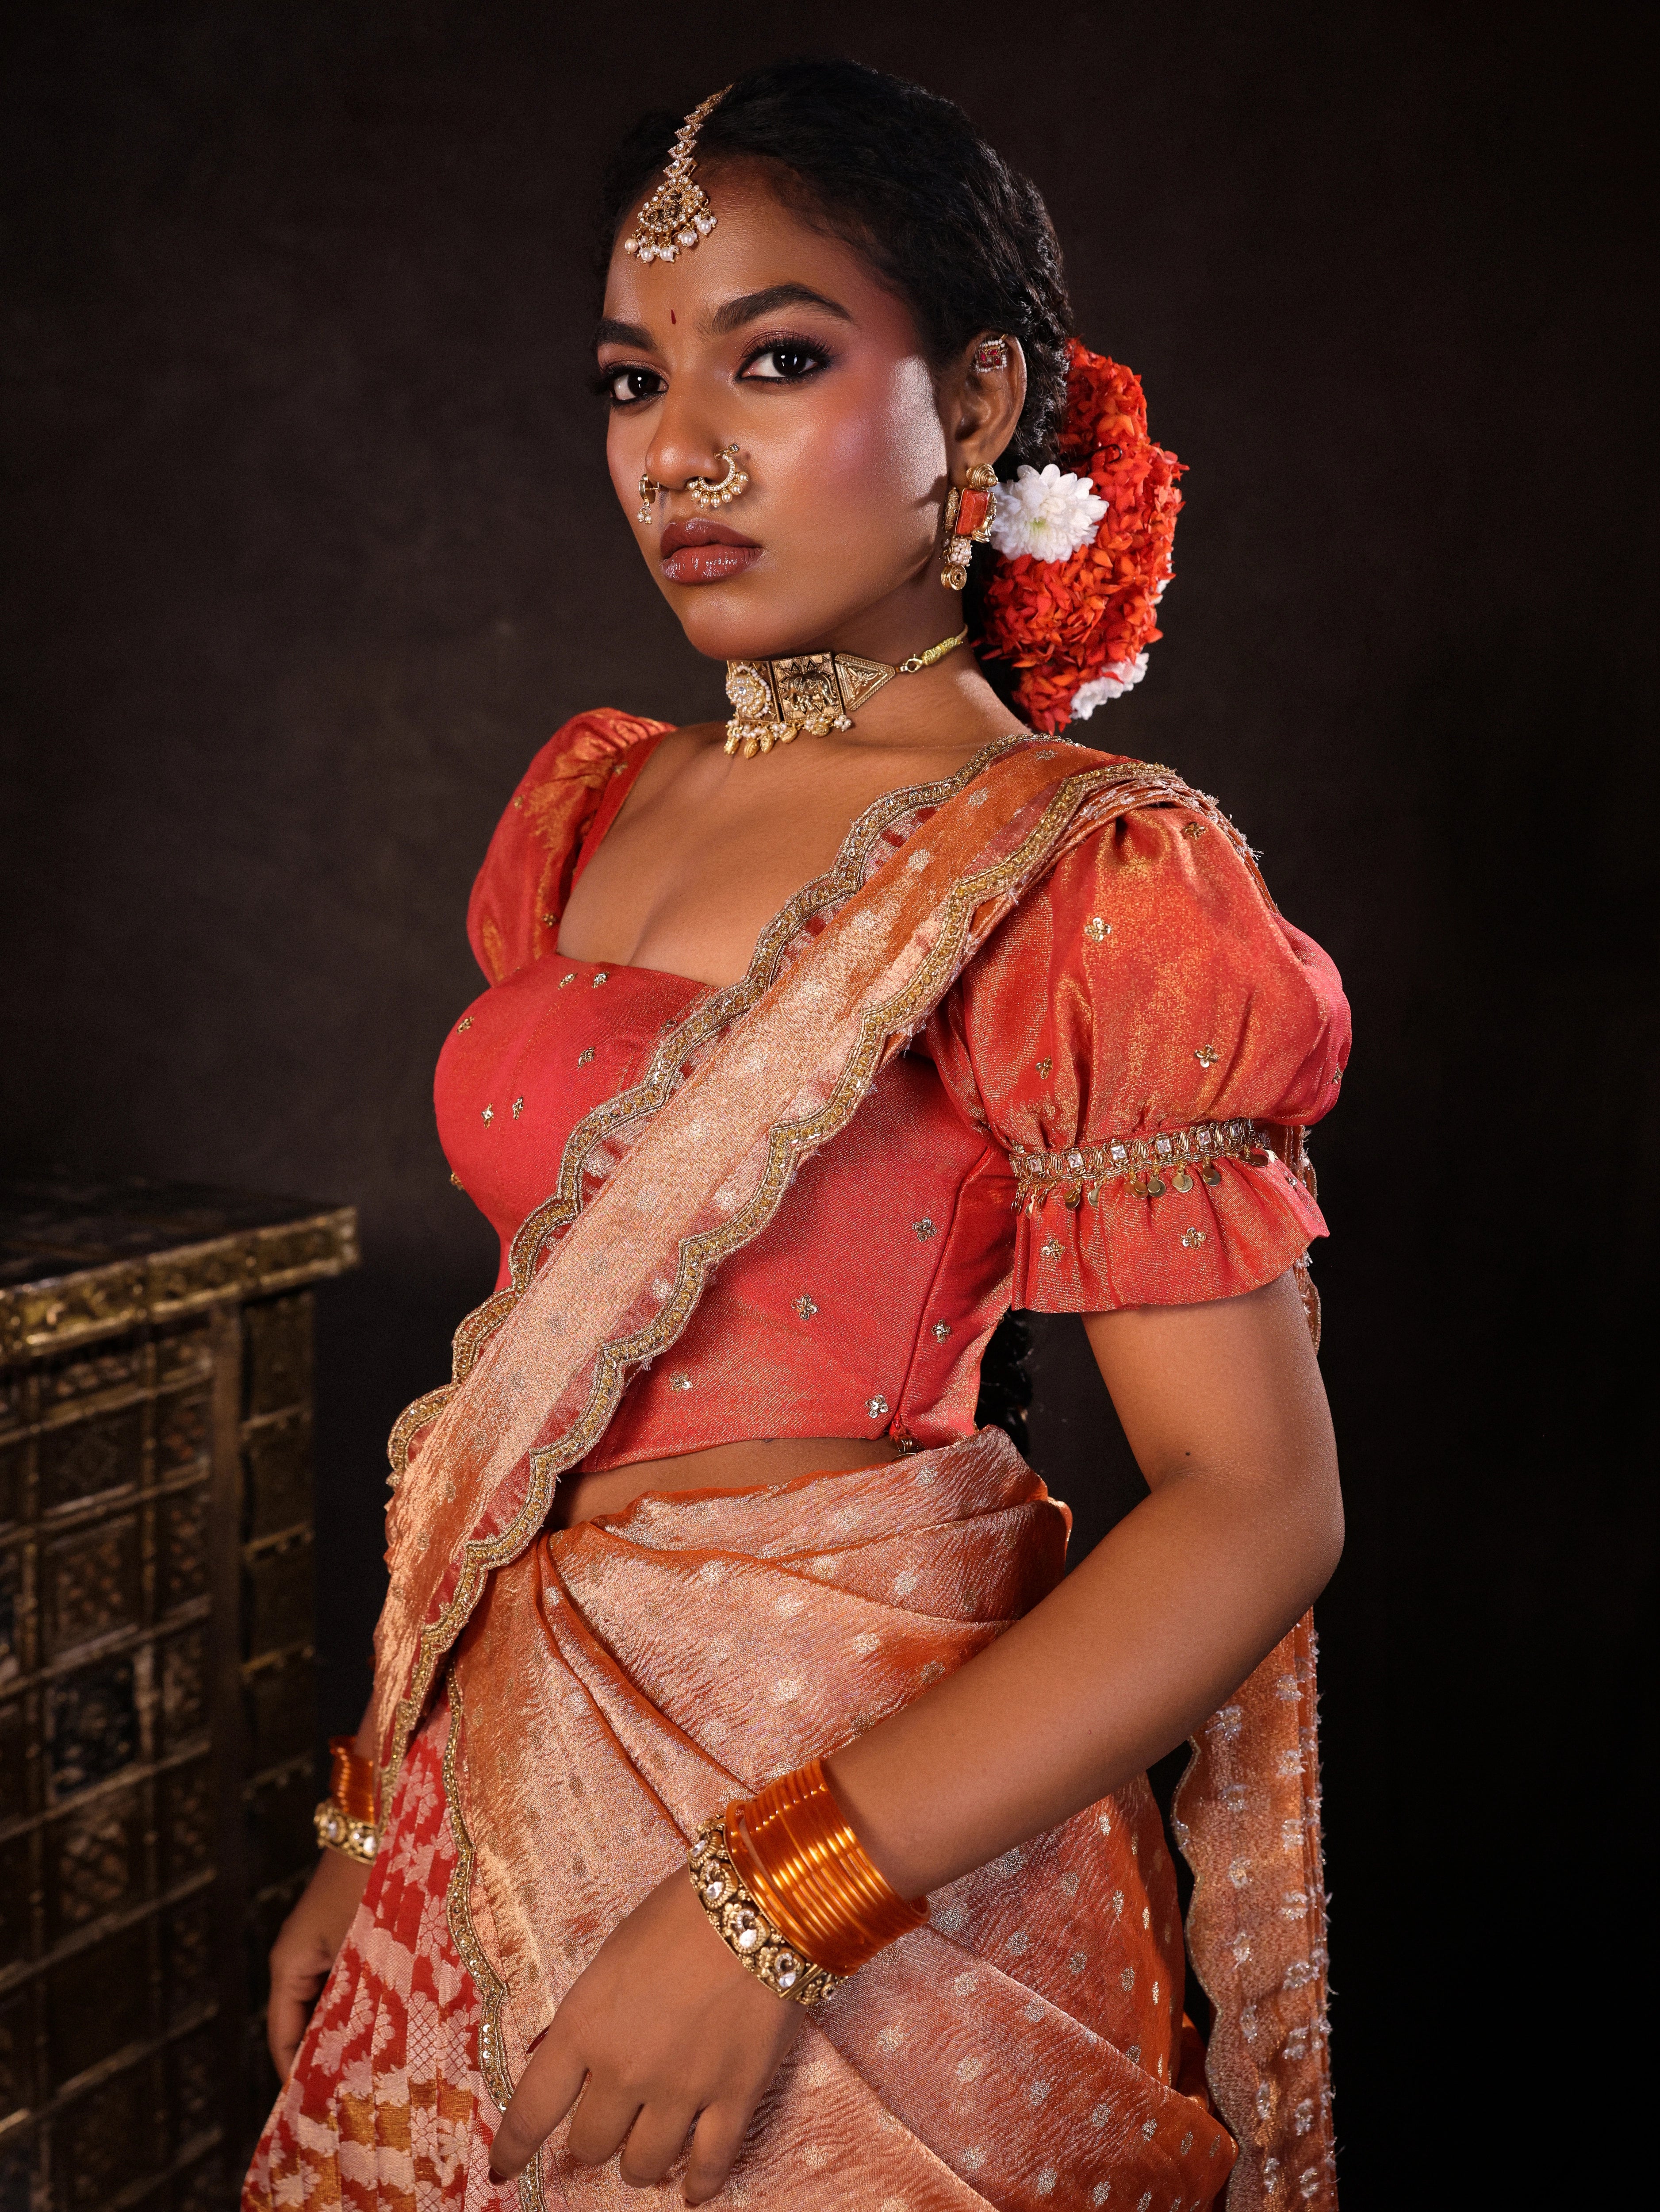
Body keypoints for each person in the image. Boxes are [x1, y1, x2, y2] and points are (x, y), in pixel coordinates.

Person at [246, 59, 1348, 2212]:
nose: (678, 448)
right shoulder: (589, 804)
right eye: (629, 377)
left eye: (776, 357)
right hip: (498, 1781)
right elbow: (515, 1398)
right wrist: (377, 1830)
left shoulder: (1085, 874)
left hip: (865, 1837)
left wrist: (774, 1899)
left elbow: (1255, 1509)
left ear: (981, 394)